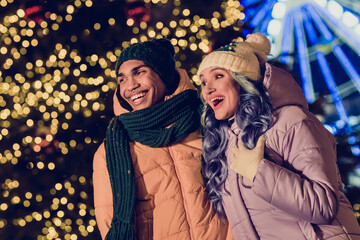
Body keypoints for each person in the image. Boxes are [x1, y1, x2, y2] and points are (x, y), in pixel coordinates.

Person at [197, 33, 360, 239]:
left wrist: (259, 172)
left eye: (218, 76)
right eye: (203, 82)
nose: (208, 90)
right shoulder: (226, 144)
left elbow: (323, 205)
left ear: (243, 79)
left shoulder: (291, 121)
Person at [92, 38, 233, 240]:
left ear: (164, 76)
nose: (130, 86)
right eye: (122, 79)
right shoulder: (111, 151)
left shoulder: (207, 121)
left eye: (139, 72)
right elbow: (110, 223)